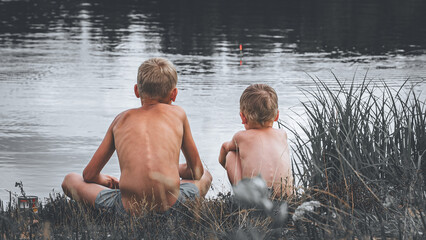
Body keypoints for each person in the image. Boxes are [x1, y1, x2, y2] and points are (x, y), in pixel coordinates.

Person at [62, 57, 212, 214]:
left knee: (70, 179)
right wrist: (171, 169)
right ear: (174, 94)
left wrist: (106, 181)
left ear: (136, 90)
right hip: (172, 207)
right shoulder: (178, 114)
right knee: (206, 176)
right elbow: (196, 172)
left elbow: (89, 175)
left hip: (127, 210)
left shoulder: (120, 120)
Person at [219, 84, 293, 197]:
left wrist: (223, 163)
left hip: (257, 200)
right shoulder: (282, 134)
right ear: (277, 116)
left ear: (243, 117)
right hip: (285, 198)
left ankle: (241, 198)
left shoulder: (241, 137)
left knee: (231, 155)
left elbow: (225, 147)